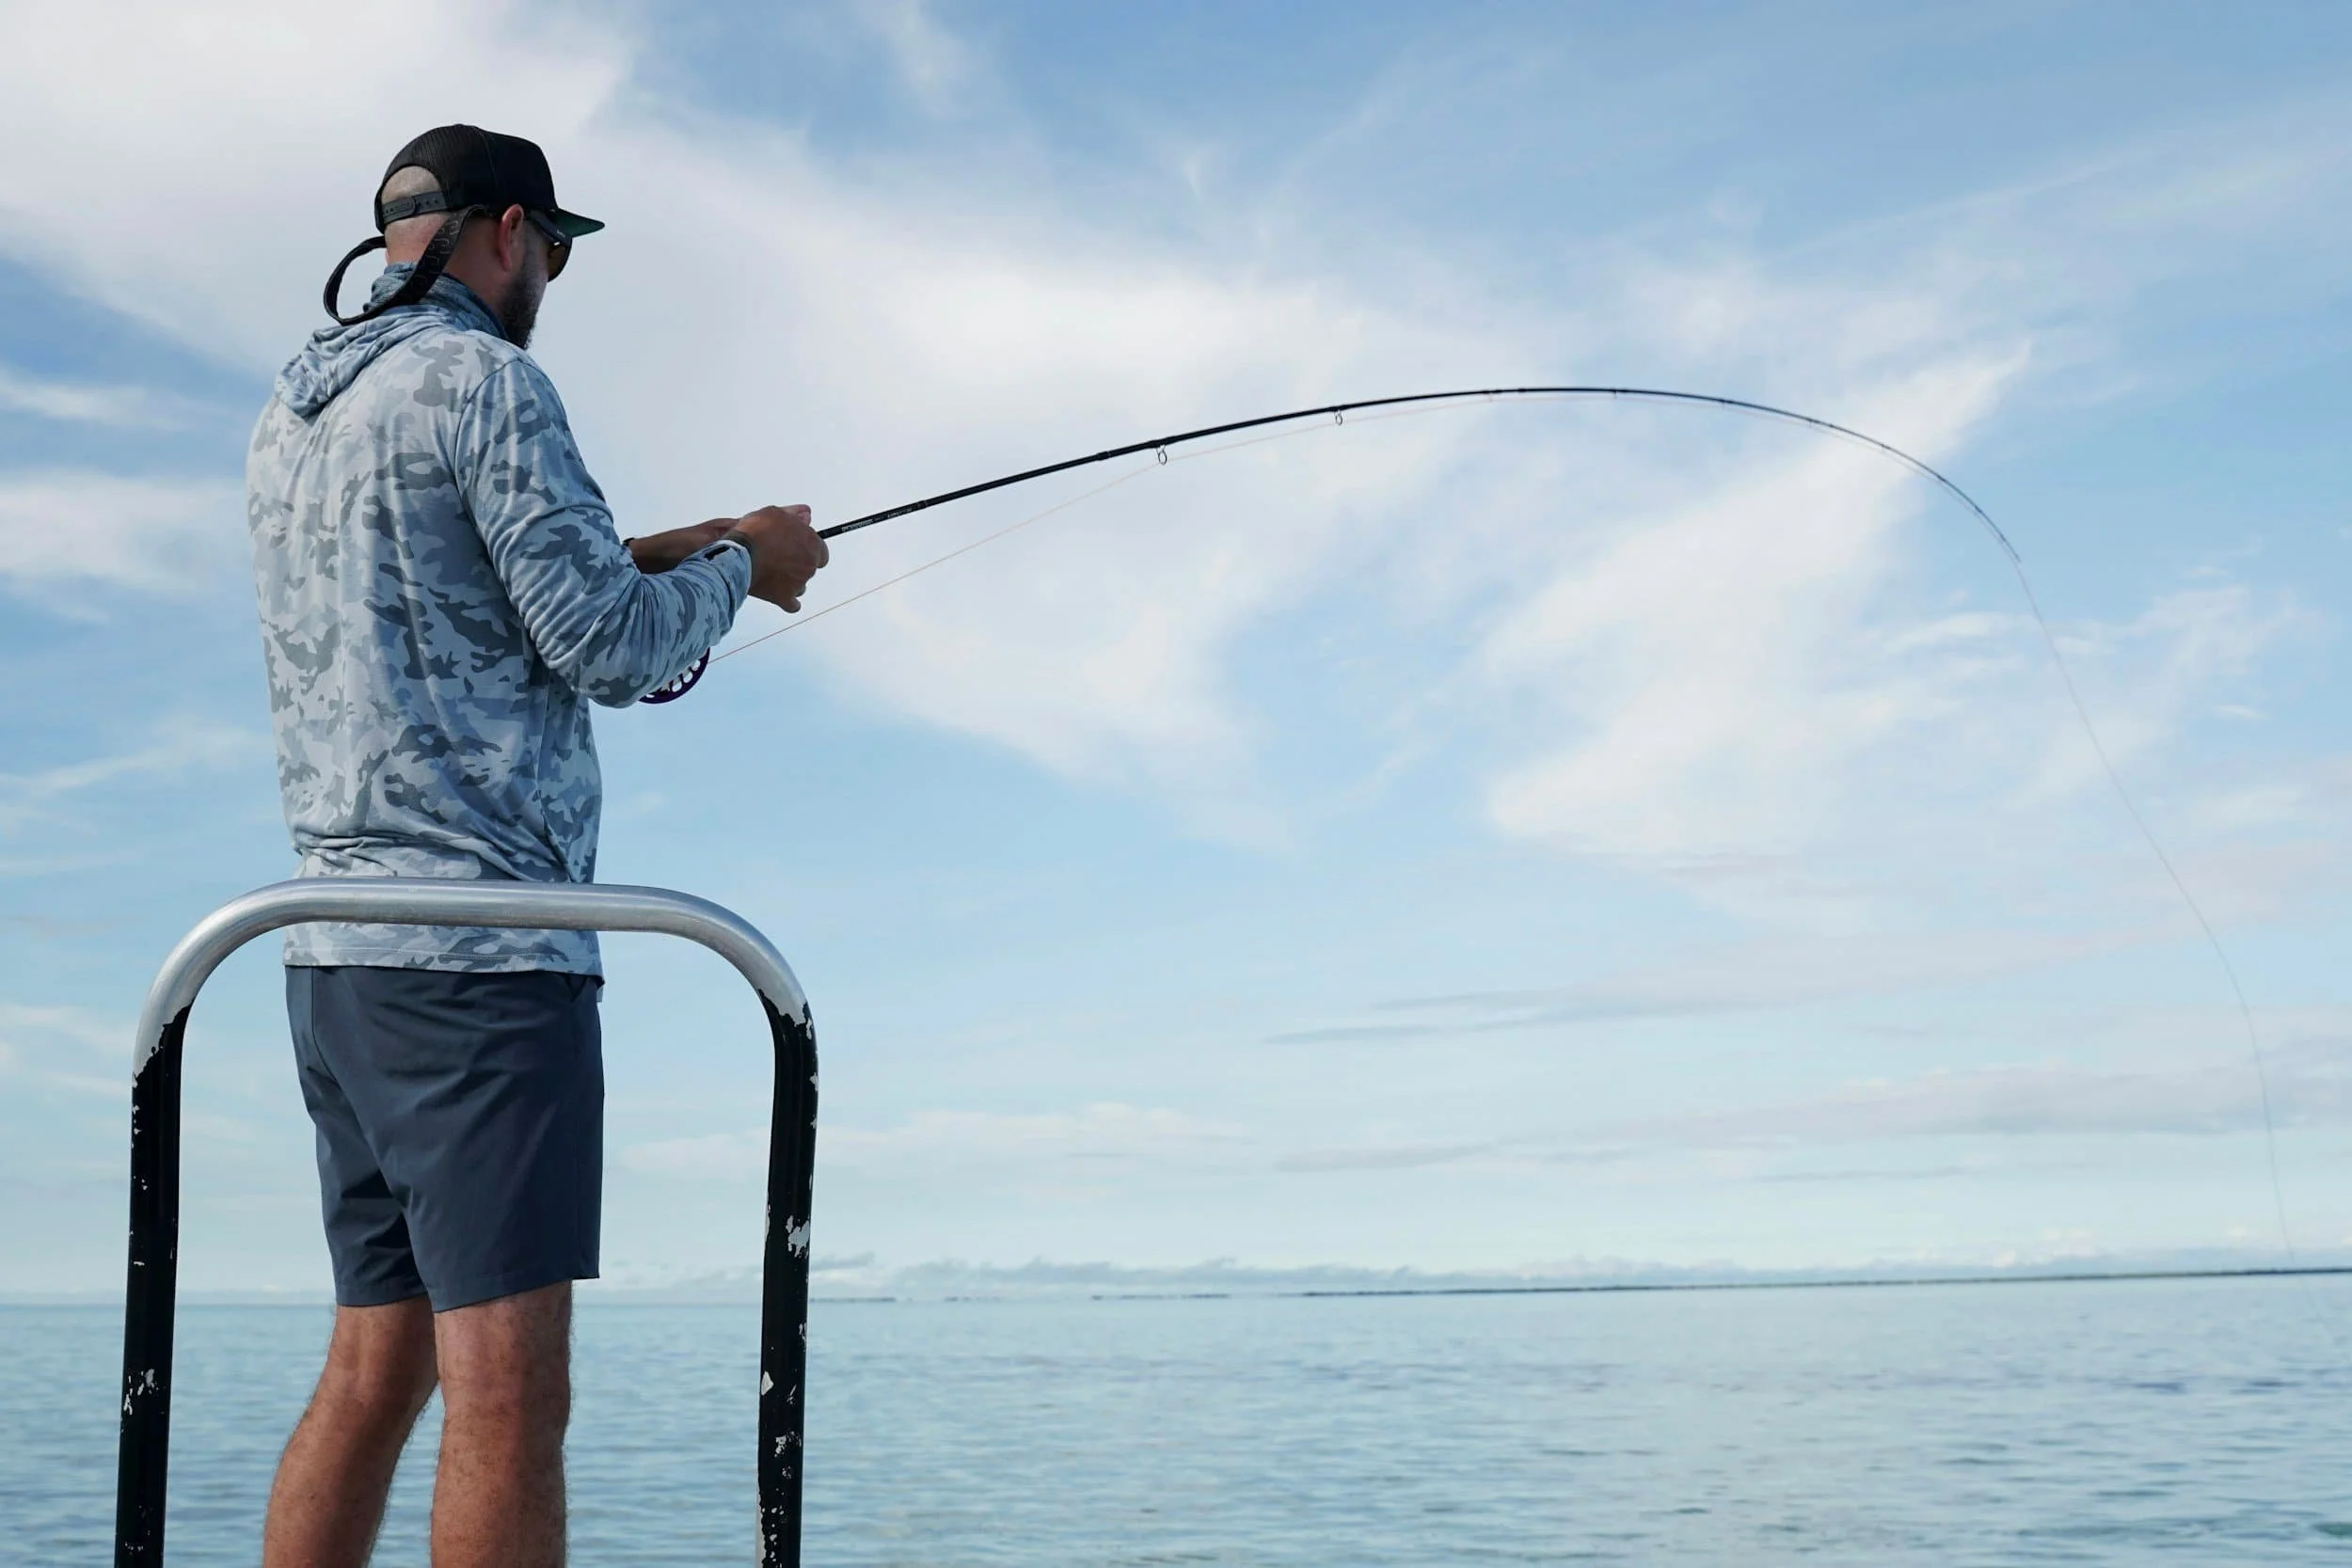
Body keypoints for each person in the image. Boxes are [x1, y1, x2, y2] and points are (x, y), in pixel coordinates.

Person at [243, 124, 826, 1568]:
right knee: (508, 1397)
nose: (551, 278)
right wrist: (746, 567)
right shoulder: (490, 381)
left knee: (374, 1372)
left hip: (334, 959)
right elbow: (608, 646)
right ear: (509, 230)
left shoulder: (297, 414)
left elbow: (449, 590)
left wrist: (671, 543)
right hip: (482, 971)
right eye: (555, 251)